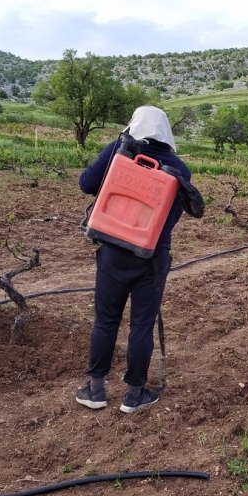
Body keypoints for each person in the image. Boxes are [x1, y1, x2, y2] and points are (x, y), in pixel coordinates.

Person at [75, 106, 191, 414]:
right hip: (152, 256)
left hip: (113, 251)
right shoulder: (179, 167)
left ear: (133, 125)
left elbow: (86, 184)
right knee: (142, 324)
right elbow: (175, 213)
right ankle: (134, 395)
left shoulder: (118, 151)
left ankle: (95, 391)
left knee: (106, 320)